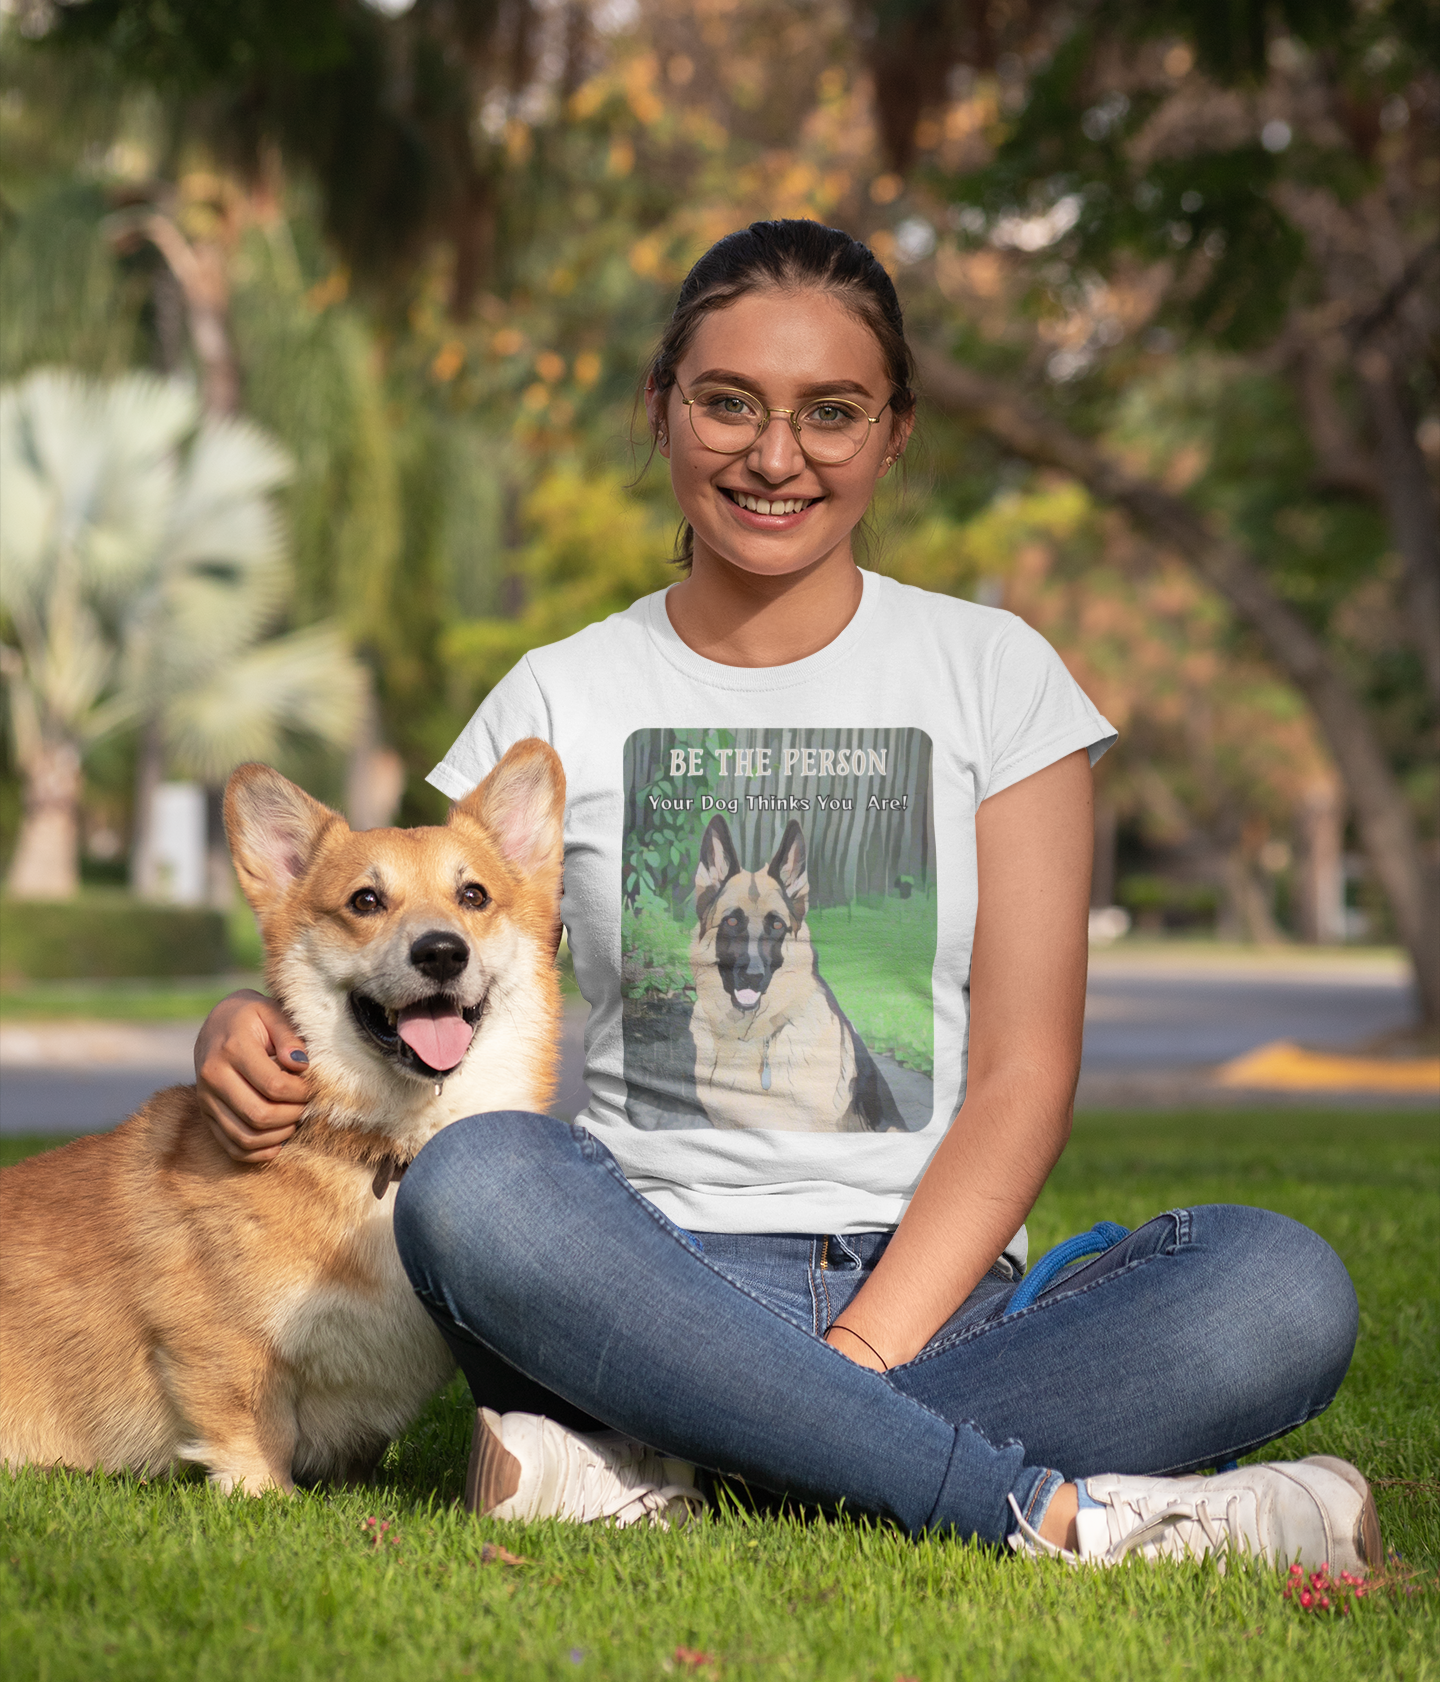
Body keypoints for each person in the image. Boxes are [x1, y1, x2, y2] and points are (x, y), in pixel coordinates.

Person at [195, 220, 1379, 1568]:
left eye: (831, 412)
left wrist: (858, 1356)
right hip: (627, 1280)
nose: (776, 455)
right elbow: (402, 929)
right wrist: (238, 1025)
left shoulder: (998, 675)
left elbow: (1023, 1078)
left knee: (1282, 1288)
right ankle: (1067, 1515)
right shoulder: (558, 690)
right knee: (473, 1184)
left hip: (937, 1291)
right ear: (661, 410)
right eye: (727, 403)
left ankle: (678, 1462)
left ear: (894, 431)